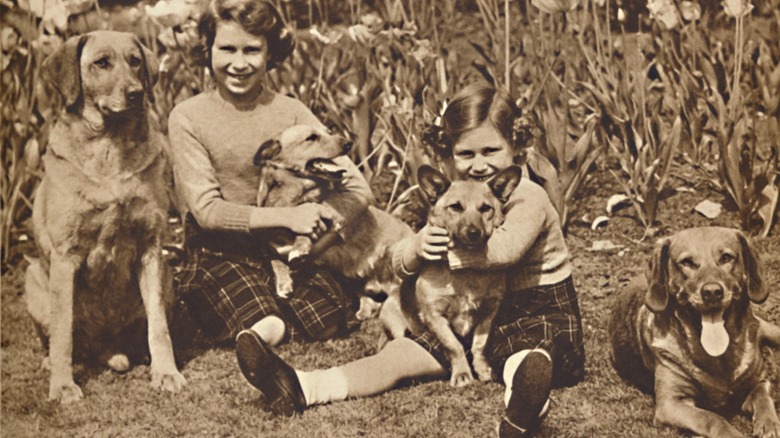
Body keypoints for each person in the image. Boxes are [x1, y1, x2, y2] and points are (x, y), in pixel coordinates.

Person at [234, 82, 586, 437]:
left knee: (525, 355)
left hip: (531, 313)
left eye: (491, 151)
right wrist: (416, 249)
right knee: (399, 355)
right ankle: (304, 385)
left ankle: (524, 406)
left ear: (516, 148)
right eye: (467, 154)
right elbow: (401, 261)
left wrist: (443, 249)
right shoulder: (453, 198)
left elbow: (503, 253)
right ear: (448, 156)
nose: (479, 165)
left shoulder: (527, 196)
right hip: (468, 318)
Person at [167, 0, 372, 353]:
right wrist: (288, 216)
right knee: (268, 322)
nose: (239, 63)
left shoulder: (291, 112)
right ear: (208, 49)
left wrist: (317, 242)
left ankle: (250, 312)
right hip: (220, 246)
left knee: (325, 320)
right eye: (227, 49)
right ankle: (231, 321)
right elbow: (207, 211)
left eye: (252, 50)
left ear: (270, 52)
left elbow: (358, 189)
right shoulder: (188, 116)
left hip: (285, 245)